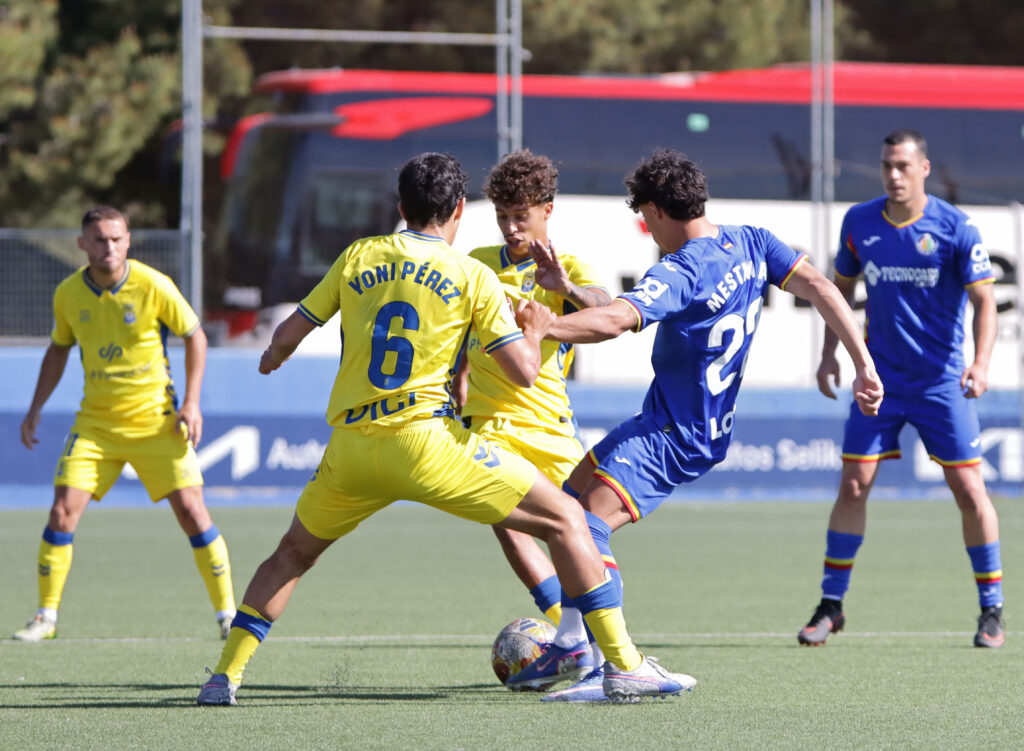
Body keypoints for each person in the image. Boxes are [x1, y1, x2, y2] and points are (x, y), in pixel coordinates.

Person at [196, 152, 695, 707]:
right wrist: (534, 329)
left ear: (401, 207)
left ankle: (223, 677)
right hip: (427, 445)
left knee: (290, 554)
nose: (510, 226)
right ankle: (622, 664)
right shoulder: (470, 271)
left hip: (352, 449)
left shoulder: (358, 255)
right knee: (567, 519)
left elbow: (288, 334)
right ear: (460, 208)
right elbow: (523, 370)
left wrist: (271, 357)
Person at [502, 149, 883, 702]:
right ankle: (571, 642)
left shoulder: (681, 269)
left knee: (584, 528)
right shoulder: (753, 242)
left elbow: (616, 320)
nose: (648, 229)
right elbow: (825, 289)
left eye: (644, 217)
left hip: (674, 434)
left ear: (657, 211)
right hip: (674, 421)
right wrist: (863, 365)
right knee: (567, 502)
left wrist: (544, 328)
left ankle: (614, 668)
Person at [796, 129, 1003, 648]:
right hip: (879, 382)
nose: (893, 175)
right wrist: (828, 354)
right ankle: (831, 604)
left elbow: (984, 301)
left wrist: (981, 363)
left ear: (924, 169)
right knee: (853, 486)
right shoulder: (859, 222)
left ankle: (991, 609)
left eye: (903, 166)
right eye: (887, 165)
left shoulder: (956, 228)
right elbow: (838, 291)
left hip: (941, 384)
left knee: (969, 491)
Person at [14, 206, 235, 642]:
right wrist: (36, 407)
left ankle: (228, 614)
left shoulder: (154, 285)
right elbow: (59, 349)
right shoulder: (68, 294)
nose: (108, 247)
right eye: (99, 239)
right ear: (82, 244)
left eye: (116, 239)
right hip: (96, 426)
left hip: (157, 424)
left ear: (128, 241)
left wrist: (192, 403)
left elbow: (195, 335)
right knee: (61, 512)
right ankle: (45, 617)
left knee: (193, 513)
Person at [453, 150, 610, 634]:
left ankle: (591, 634)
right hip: (489, 422)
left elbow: (605, 310)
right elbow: (463, 332)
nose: (511, 227)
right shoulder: (477, 263)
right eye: (502, 216)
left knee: (583, 531)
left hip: (549, 422)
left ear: (547, 210)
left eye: (520, 216)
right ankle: (565, 628)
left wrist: (566, 288)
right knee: (506, 521)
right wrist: (458, 378)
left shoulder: (568, 267)